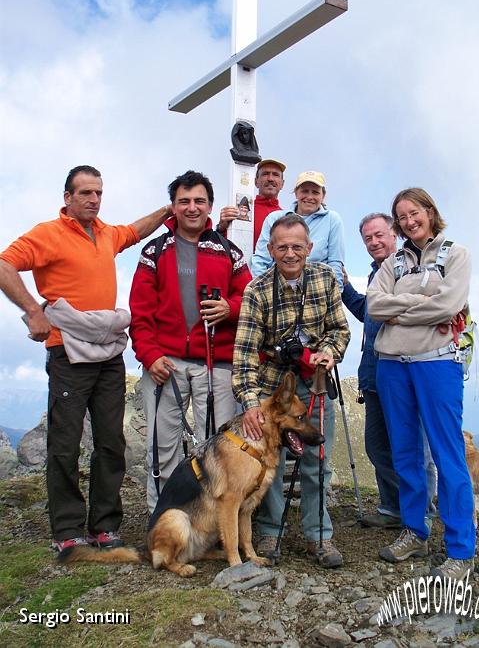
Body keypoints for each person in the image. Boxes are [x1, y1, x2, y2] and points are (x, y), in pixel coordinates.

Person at [0, 165, 172, 552]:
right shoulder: (47, 234)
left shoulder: (106, 233)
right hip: (66, 350)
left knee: (111, 440)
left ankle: (105, 526)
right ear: (68, 198)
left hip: (108, 351)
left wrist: (169, 210)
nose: (94, 200)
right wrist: (33, 310)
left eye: (98, 193)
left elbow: (134, 231)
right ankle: (67, 531)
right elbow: (3, 264)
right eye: (85, 193)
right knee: (65, 442)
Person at [367, 188, 476, 581]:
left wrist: (402, 306)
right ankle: (414, 530)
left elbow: (449, 307)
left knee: (449, 455)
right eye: (402, 216)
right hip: (392, 365)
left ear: (430, 212)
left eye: (415, 212)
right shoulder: (393, 261)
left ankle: (461, 549)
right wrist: (421, 303)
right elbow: (374, 306)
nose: (409, 221)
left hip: (437, 364)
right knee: (405, 453)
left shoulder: (456, 254)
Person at [129, 170, 252, 513]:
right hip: (164, 366)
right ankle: (163, 522)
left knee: (218, 452)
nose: (192, 207)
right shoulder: (154, 251)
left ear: (210, 205)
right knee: (162, 448)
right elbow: (140, 311)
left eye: (199, 200)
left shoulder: (229, 252)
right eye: (184, 201)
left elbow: (250, 300)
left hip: (217, 366)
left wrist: (230, 308)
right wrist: (150, 355)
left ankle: (210, 527)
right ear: (173, 206)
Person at [232, 214, 350, 568]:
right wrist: (251, 404)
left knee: (317, 456)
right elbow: (243, 354)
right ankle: (270, 530)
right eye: (282, 247)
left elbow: (339, 329)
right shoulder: (256, 291)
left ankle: (318, 535)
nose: (290, 253)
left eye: (297, 246)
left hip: (313, 380)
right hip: (272, 385)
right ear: (270, 249)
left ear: (309, 248)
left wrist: (328, 352)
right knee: (270, 459)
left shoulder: (326, 279)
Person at [342, 213, 436, 529]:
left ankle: (421, 513)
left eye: (379, 235)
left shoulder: (407, 268)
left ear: (393, 233)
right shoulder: (374, 274)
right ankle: (395, 509)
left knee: (411, 445)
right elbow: (369, 315)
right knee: (378, 445)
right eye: (368, 238)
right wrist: (344, 288)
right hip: (373, 371)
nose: (374, 242)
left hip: (404, 369)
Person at [251, 171, 345, 289]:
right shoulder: (274, 218)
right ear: (296, 193)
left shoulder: (333, 219)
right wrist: (261, 290)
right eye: (304, 191)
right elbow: (261, 259)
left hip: (317, 292)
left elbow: (335, 263)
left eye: (315, 192)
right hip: (277, 290)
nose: (309, 197)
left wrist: (335, 294)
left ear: (323, 195)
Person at [217, 158, 285, 249]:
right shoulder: (239, 211)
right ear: (256, 182)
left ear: (282, 184)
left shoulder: (287, 217)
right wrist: (221, 228)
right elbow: (221, 245)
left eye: (276, 175)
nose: (270, 179)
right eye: (265, 174)